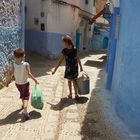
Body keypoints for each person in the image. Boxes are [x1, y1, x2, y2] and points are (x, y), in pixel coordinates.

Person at [5, 48, 39, 120]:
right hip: (25, 83)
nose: (25, 55)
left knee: (22, 94)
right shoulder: (26, 64)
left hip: (17, 84)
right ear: (22, 56)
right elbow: (29, 74)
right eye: (24, 54)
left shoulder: (13, 65)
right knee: (26, 96)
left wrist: (7, 82)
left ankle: (23, 106)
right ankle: (25, 111)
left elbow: (10, 74)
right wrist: (35, 80)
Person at [52, 35, 83, 99]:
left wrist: (55, 70)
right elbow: (78, 58)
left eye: (63, 42)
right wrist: (81, 67)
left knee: (69, 80)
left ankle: (71, 94)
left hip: (69, 68)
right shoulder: (74, 48)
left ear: (67, 42)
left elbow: (60, 61)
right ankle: (76, 94)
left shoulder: (65, 50)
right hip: (74, 67)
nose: (63, 44)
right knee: (74, 80)